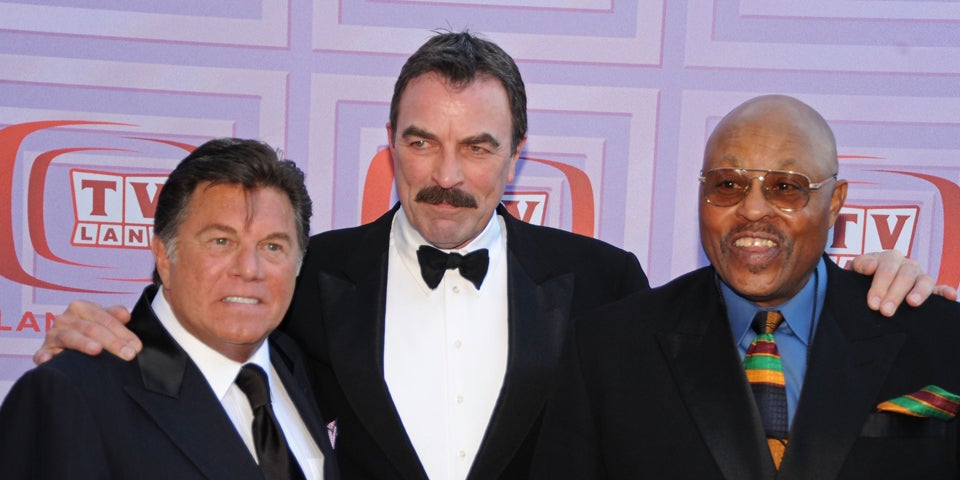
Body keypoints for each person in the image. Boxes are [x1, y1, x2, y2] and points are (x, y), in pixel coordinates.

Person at [31, 34, 952, 480]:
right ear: (390, 146)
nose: (447, 175)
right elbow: (204, 328)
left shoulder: (603, 283)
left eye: (477, 147)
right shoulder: (311, 275)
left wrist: (868, 282)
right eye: (423, 143)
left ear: (517, 157)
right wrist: (103, 329)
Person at [531, 95, 960, 479]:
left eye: (785, 187)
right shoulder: (609, 349)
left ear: (834, 203)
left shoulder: (940, 335)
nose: (752, 209)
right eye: (728, 185)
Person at [0, 138, 339, 479]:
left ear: (299, 263)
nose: (250, 269)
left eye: (273, 246)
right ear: (164, 256)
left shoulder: (299, 365)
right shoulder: (72, 395)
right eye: (221, 241)